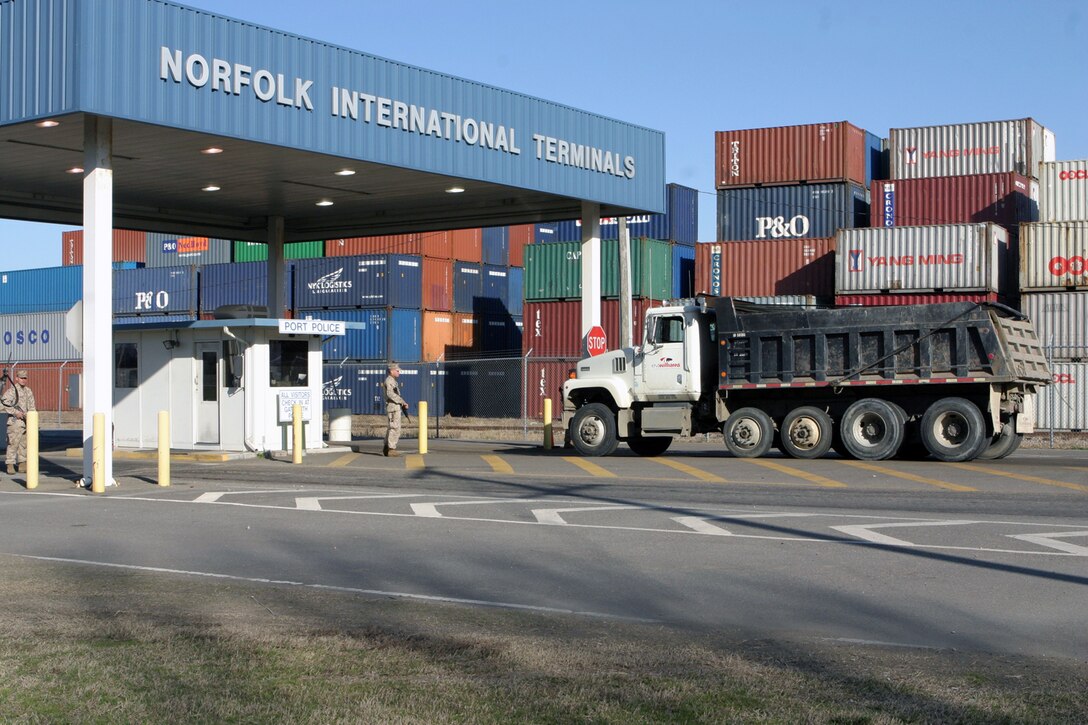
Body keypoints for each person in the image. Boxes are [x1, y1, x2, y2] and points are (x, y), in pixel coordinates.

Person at [2, 369, 37, 475]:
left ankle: (22, 463)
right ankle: (10, 464)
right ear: (17, 378)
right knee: (13, 443)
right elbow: (4, 403)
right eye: (21, 378)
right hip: (15, 421)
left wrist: (32, 417)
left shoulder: (28, 391)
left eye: (25, 378)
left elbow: (32, 406)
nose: (23, 380)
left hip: (26, 421)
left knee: (24, 444)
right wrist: (15, 412)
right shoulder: (12, 391)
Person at [383, 362, 408, 457]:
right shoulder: (389, 381)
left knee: (392, 427)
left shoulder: (392, 381)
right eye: (397, 371)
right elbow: (390, 394)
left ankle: (387, 447)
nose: (399, 373)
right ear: (391, 371)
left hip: (395, 406)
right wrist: (402, 401)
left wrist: (401, 403)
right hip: (393, 407)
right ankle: (391, 449)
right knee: (394, 427)